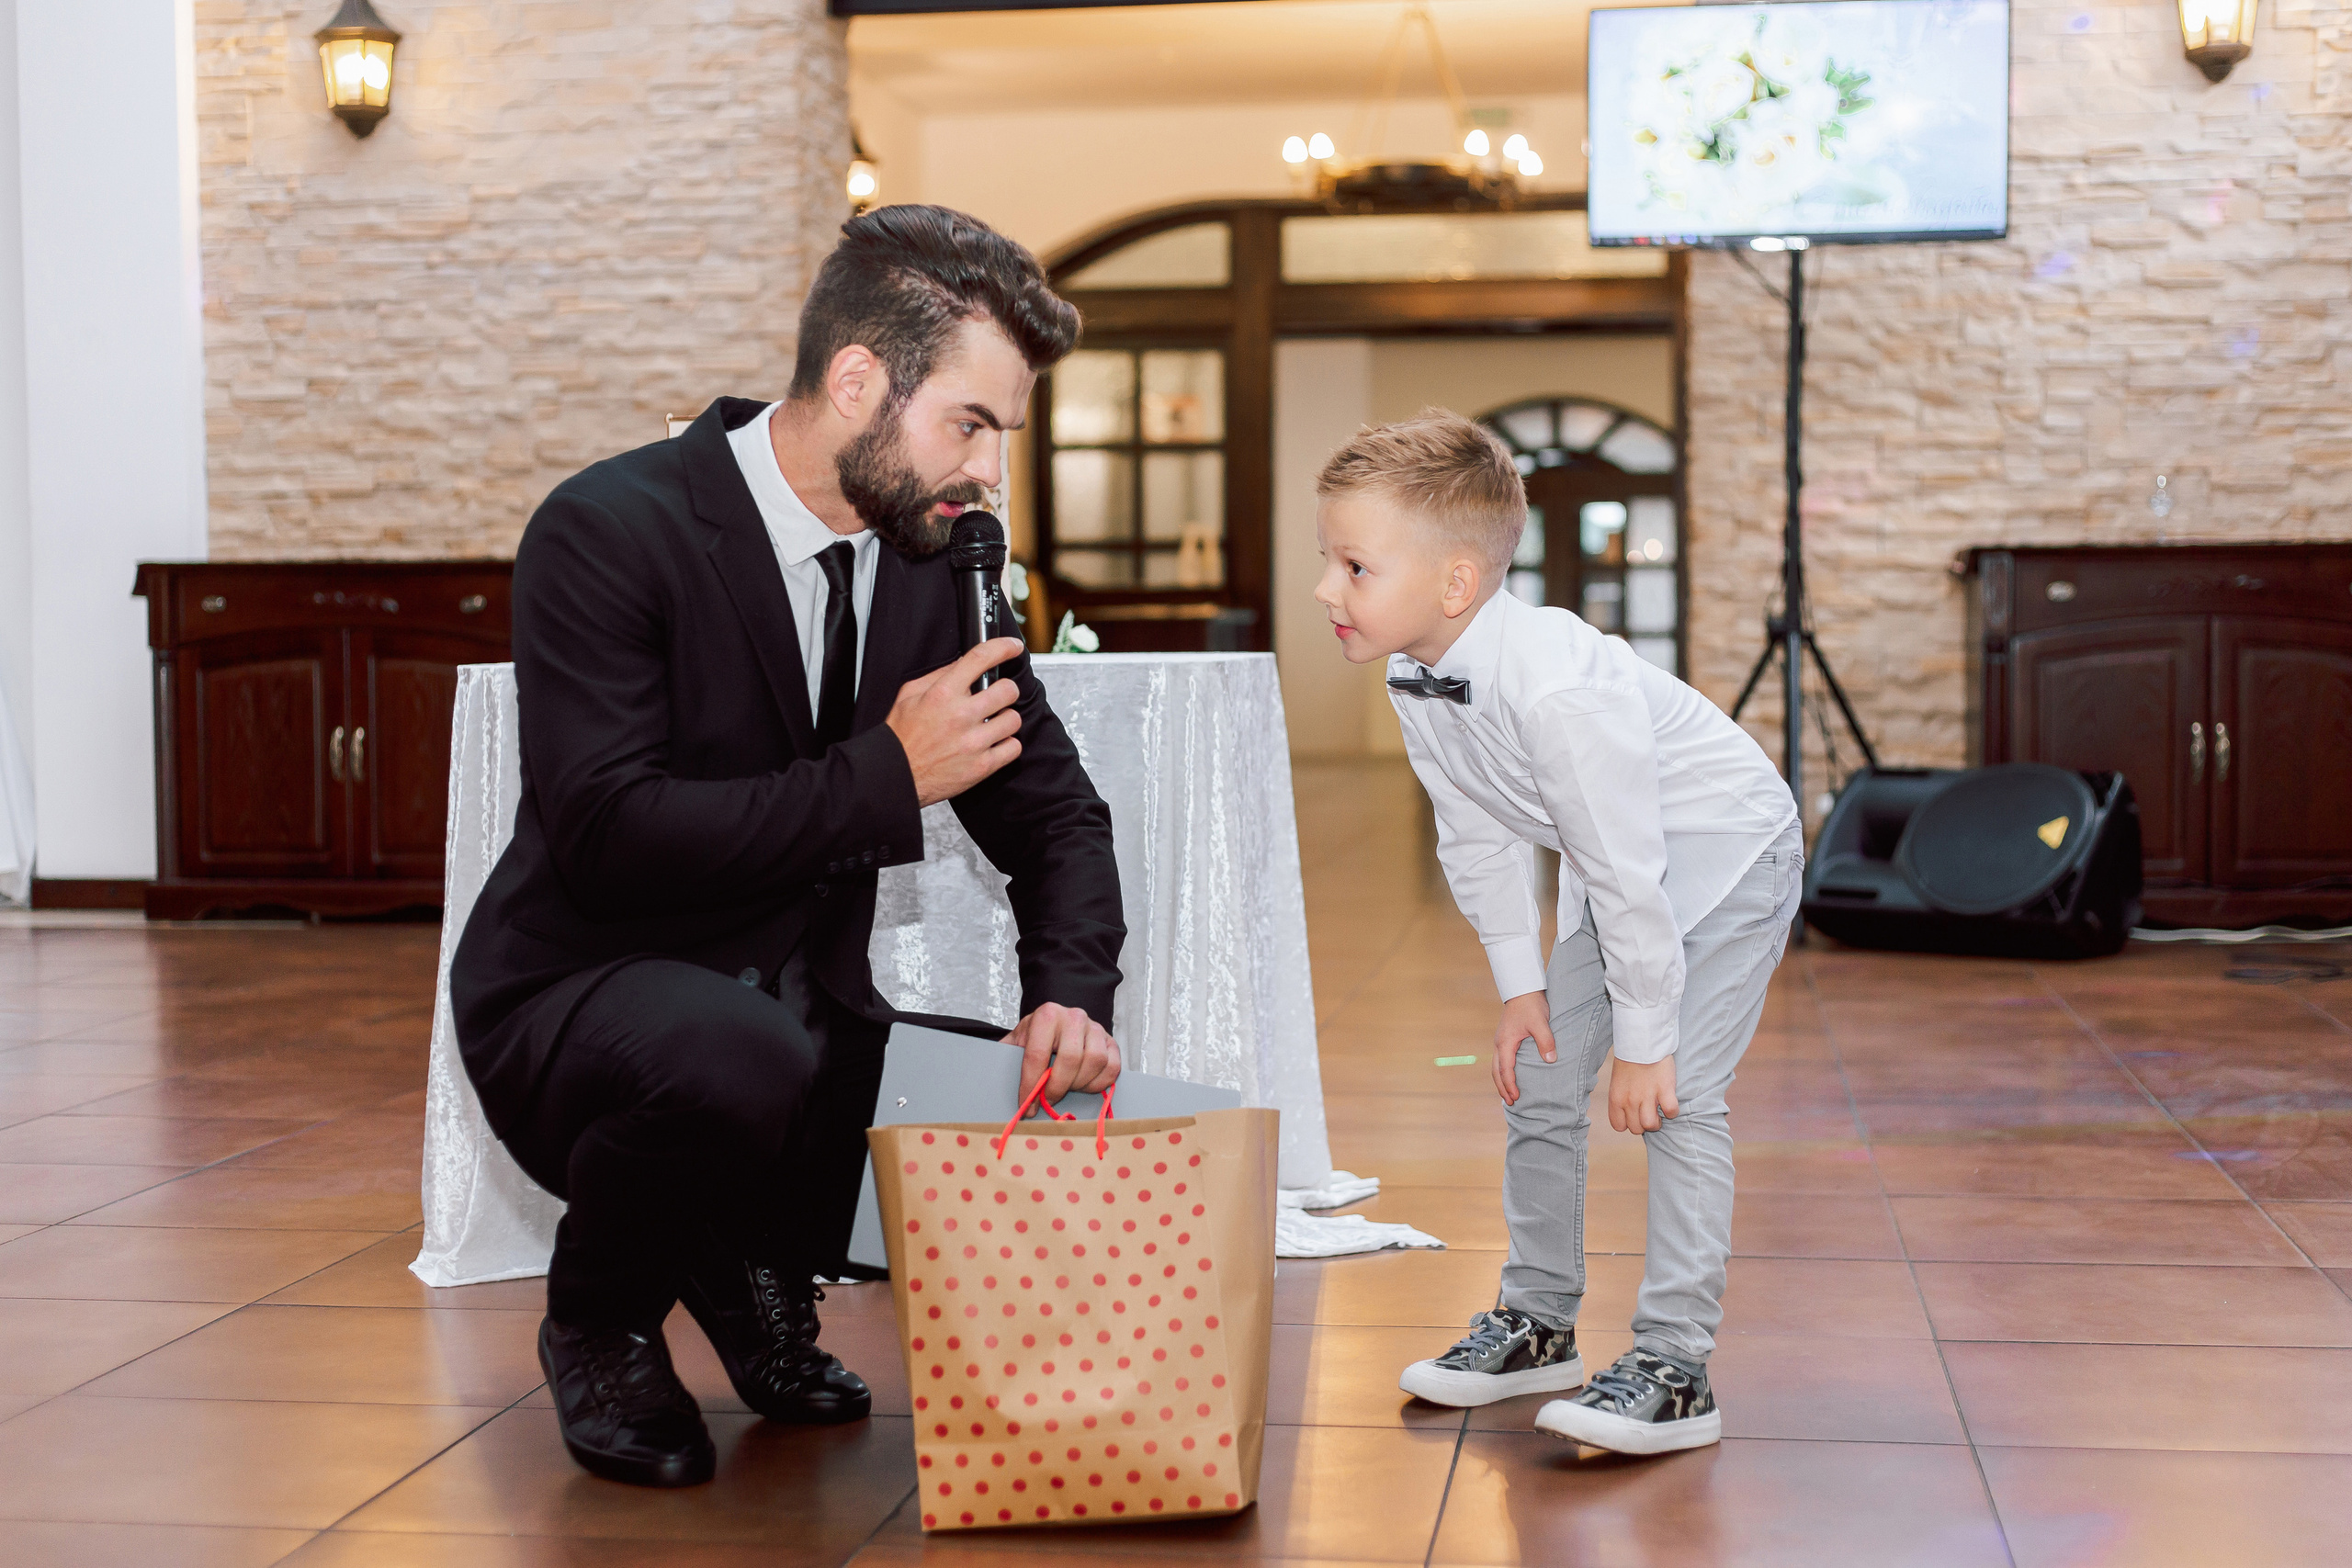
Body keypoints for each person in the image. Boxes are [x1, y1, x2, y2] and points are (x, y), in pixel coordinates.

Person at [450, 205, 1126, 1489]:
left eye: (1004, 435)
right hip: (575, 1006)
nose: (990, 472)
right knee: (736, 1055)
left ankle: (734, 1245)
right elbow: (608, 835)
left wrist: (1070, 992)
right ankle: (602, 1315)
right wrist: (890, 775)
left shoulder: (935, 566)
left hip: (795, 1026)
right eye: (969, 424)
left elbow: (1055, 813)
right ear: (858, 379)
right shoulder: (609, 528)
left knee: (993, 1103)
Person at [1311, 411, 1800, 1456]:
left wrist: (1646, 1040)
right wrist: (1520, 989)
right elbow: (1476, 834)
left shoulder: (1559, 688)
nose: (1324, 590)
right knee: (1540, 1074)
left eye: (1353, 566)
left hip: (1726, 861)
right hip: (1622, 878)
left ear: (1454, 584)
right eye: (1329, 561)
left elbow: (1631, 874)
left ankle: (1676, 1365)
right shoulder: (1417, 670)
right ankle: (1538, 1326)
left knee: (1679, 1099)